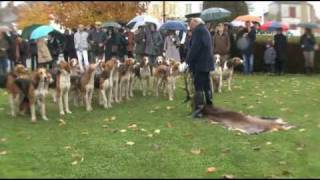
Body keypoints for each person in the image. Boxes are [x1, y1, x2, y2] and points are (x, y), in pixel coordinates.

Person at [186, 18, 214, 118]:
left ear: (196, 23)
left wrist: (187, 61)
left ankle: (199, 110)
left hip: (199, 63)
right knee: (206, 85)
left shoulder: (198, 31)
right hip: (206, 62)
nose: (189, 25)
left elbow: (195, 48)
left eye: (191, 23)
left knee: (198, 86)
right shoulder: (205, 30)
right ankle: (209, 106)